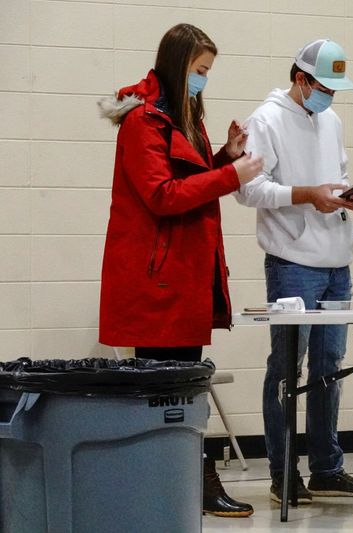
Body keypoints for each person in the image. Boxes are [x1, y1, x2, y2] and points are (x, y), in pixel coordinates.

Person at [98, 23, 263, 518]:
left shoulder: (179, 117)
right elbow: (162, 195)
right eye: (198, 71)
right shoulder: (142, 122)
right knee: (165, 389)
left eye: (208, 72)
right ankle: (181, 479)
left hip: (182, 273)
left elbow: (184, 175)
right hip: (157, 280)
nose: (203, 81)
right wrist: (230, 175)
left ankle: (186, 478)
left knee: (184, 384)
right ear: (176, 65)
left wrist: (221, 156)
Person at [234, 39, 353, 504]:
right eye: (325, 87)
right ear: (301, 79)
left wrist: (344, 195)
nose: (331, 97)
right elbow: (248, 190)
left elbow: (335, 175)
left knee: (328, 370)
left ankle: (326, 467)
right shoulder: (267, 119)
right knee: (285, 369)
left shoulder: (331, 120)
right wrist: (305, 194)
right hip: (292, 264)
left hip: (337, 261)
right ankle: (283, 473)